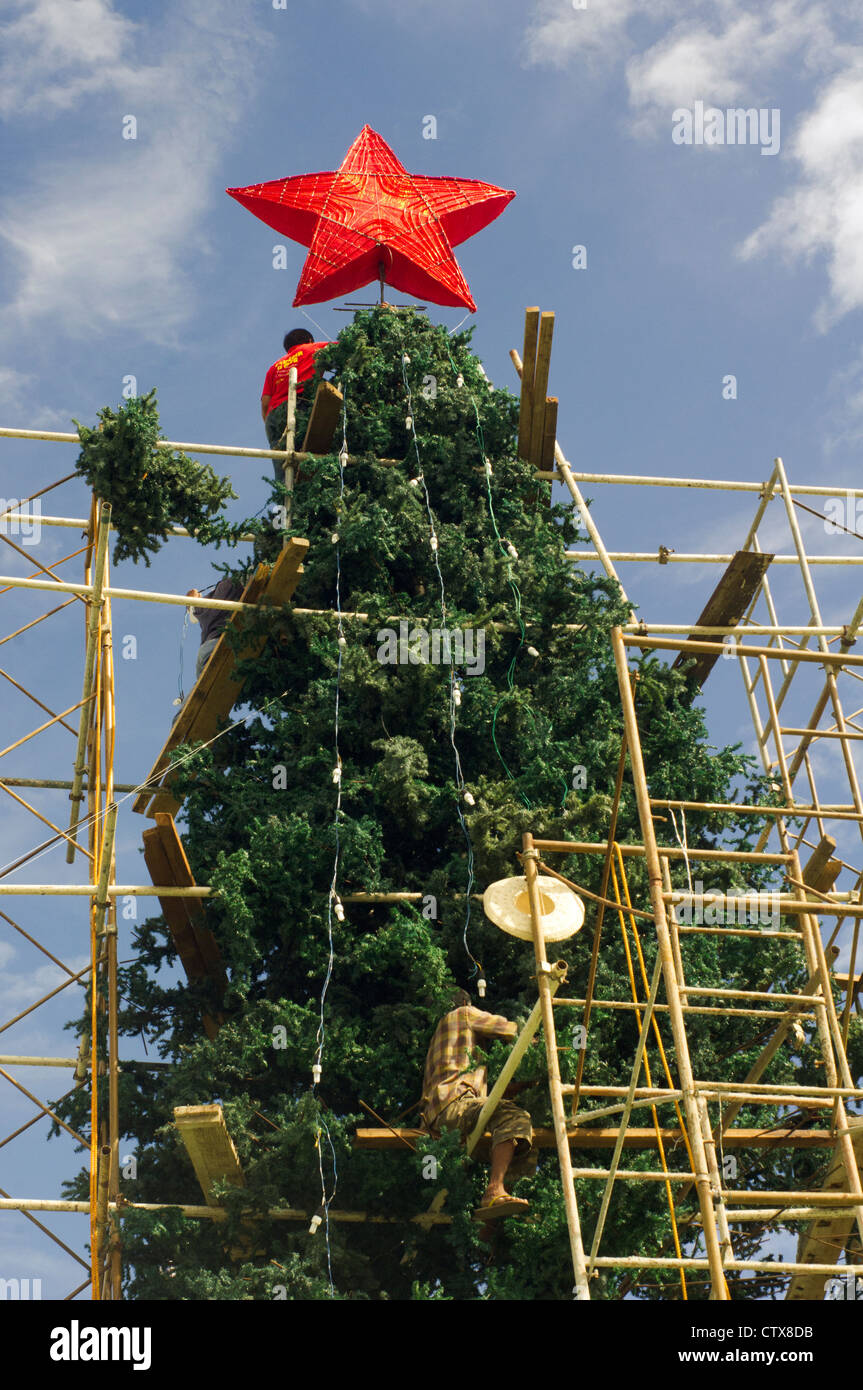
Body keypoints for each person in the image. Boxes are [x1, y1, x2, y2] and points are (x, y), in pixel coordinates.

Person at [421, 989, 535, 1224]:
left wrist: (521, 1087)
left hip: (440, 1117)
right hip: (455, 1104)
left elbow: (484, 1096)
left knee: (513, 1139)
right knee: (514, 1117)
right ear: (464, 1002)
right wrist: (539, 1046)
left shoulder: (444, 1040)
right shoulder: (464, 1014)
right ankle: (495, 1190)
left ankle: (497, 1204)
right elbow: (510, 1030)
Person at [261, 329, 330, 480]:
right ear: (310, 340)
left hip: (273, 417)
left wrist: (271, 422)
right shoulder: (313, 348)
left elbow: (265, 403)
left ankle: (285, 501)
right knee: (309, 456)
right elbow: (348, 347)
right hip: (299, 407)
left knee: (284, 469)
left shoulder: (275, 367)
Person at [186, 577, 245, 682]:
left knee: (202, 688)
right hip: (224, 643)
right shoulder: (233, 586)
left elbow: (192, 616)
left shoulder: (204, 606)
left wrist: (193, 599)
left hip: (208, 649)